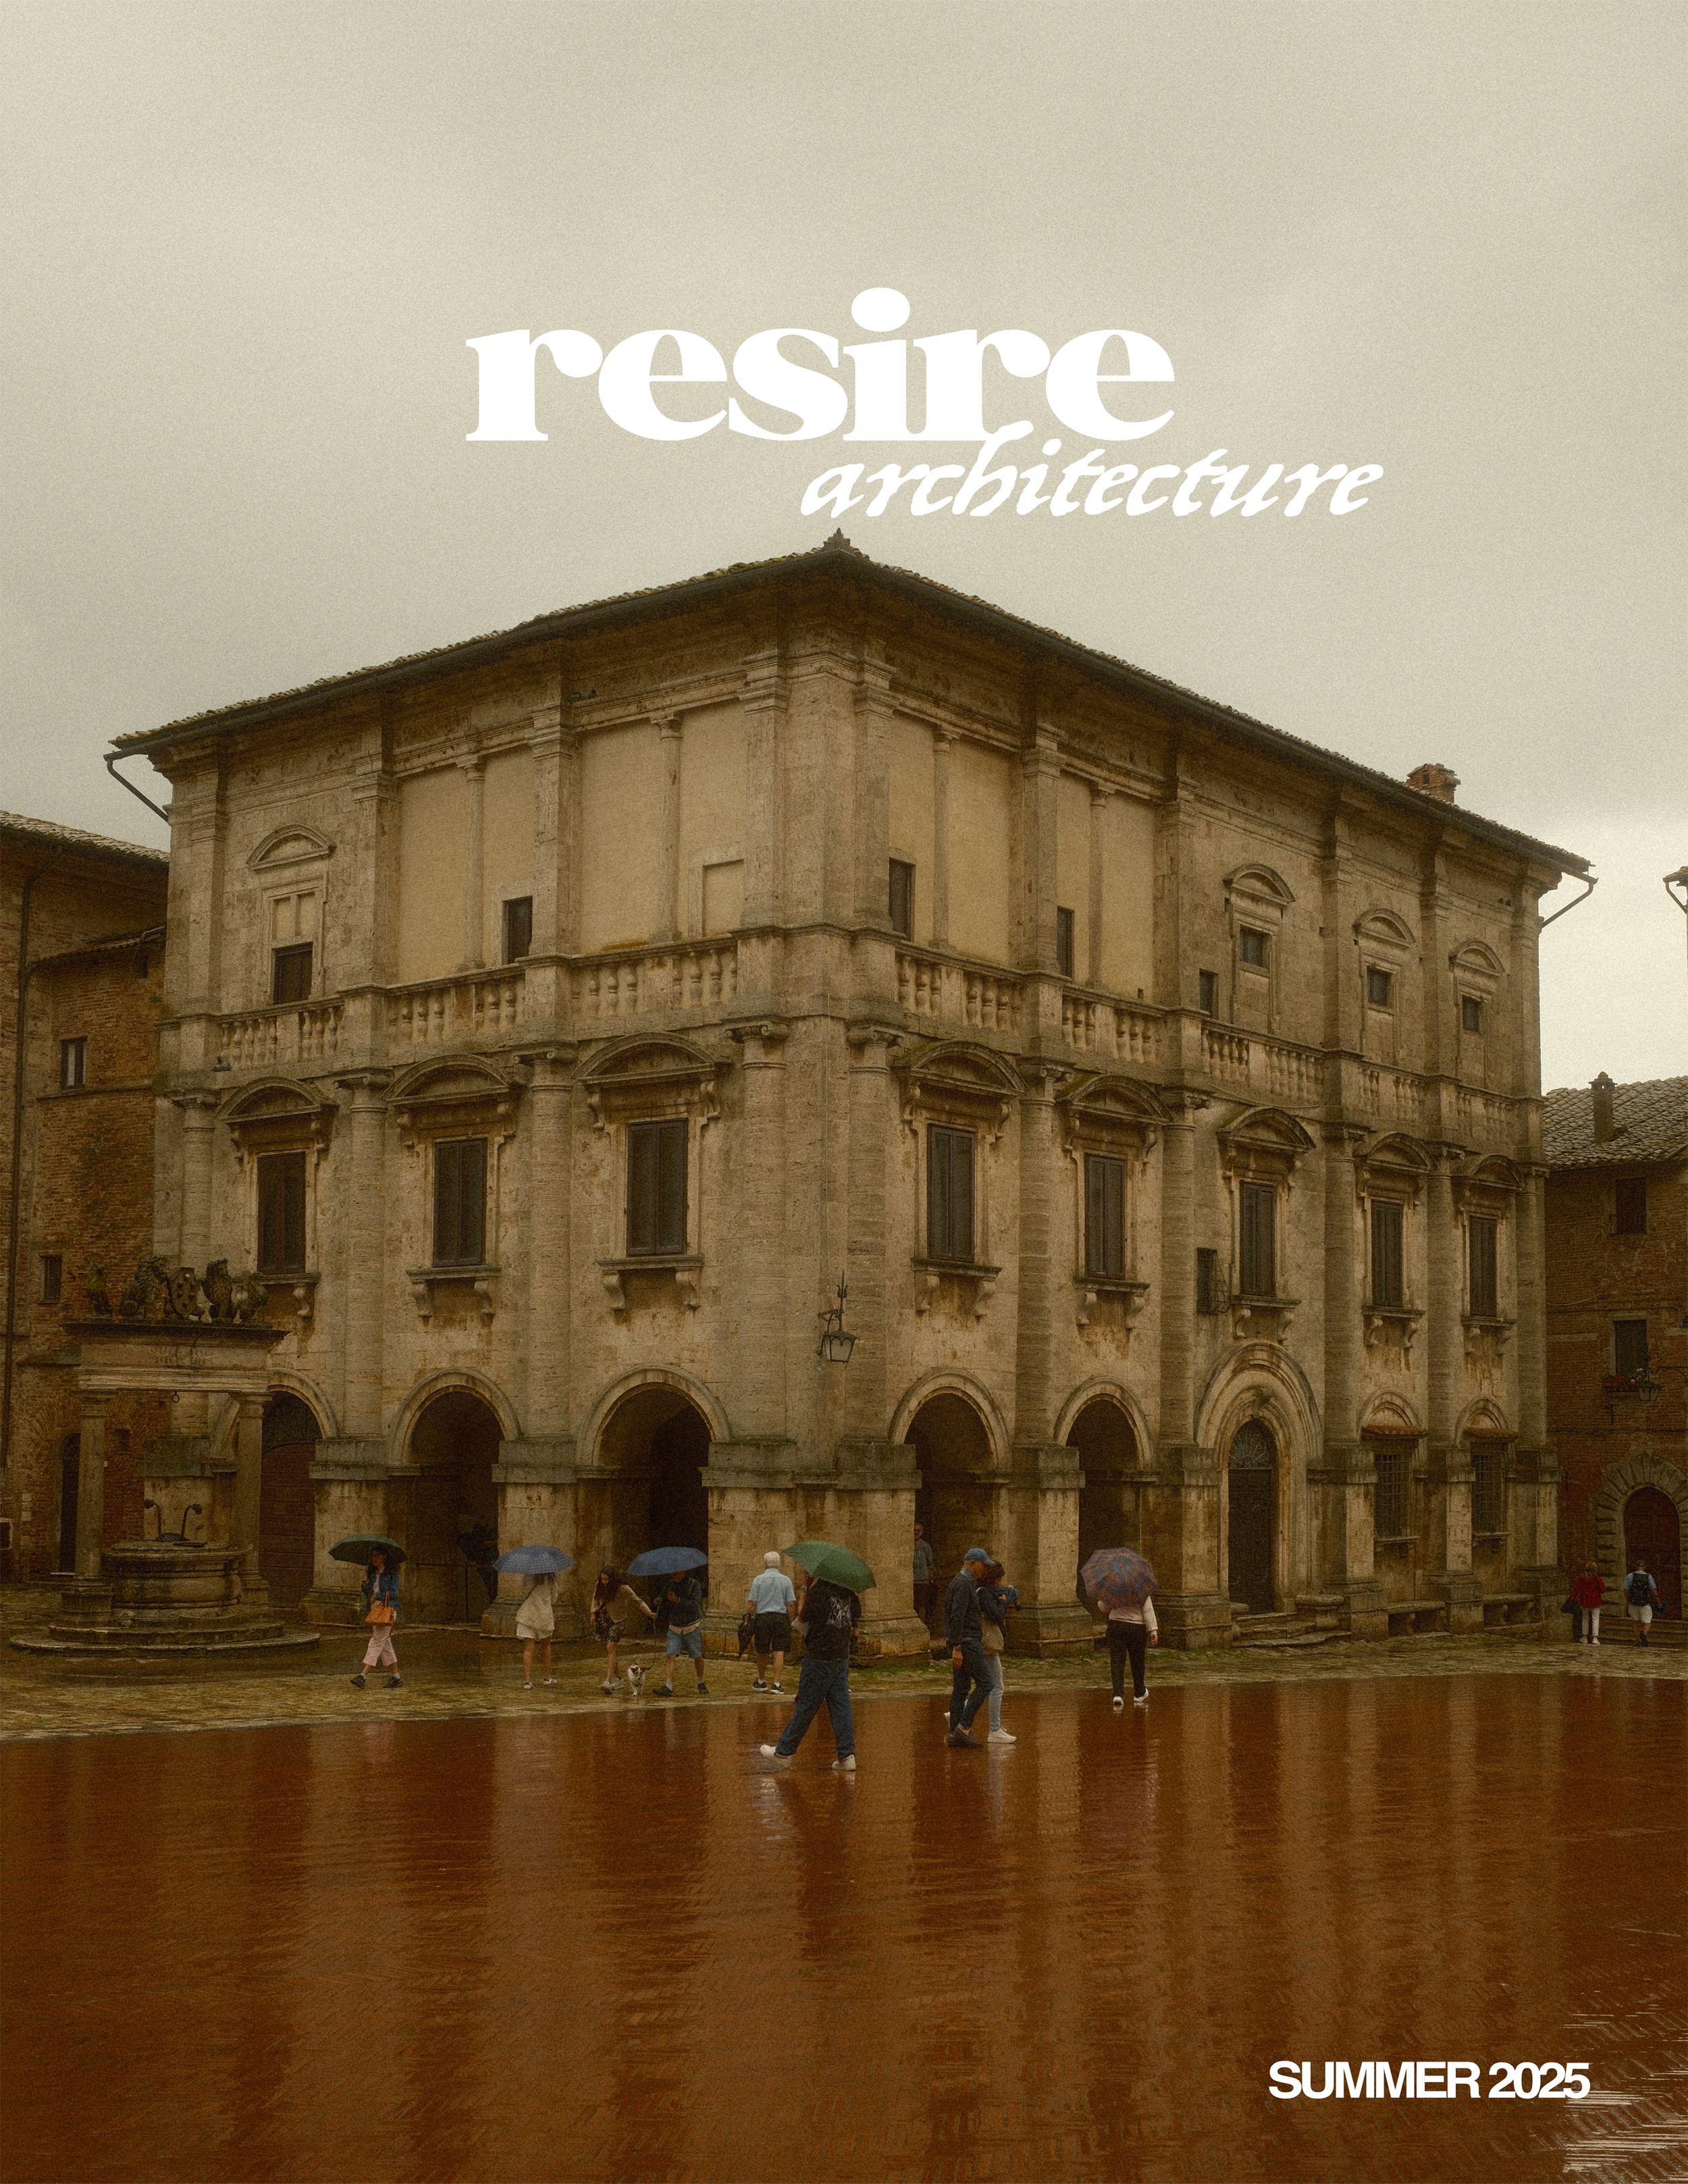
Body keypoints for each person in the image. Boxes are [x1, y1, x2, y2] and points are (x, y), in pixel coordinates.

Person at [760, 1572, 860, 1769]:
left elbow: (802, 1616)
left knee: (806, 1704)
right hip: (841, 1656)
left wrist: (805, 1588)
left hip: (819, 1656)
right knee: (841, 1706)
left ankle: (784, 1751)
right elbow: (856, 1614)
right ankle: (847, 1755)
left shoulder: (819, 1592)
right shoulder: (849, 1593)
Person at [943, 1547, 994, 1749]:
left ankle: (955, 1732)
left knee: (961, 1688)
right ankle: (963, 1727)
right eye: (983, 1565)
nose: (985, 1569)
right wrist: (957, 1647)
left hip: (962, 1642)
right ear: (972, 1563)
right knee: (986, 1682)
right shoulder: (964, 1585)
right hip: (967, 1642)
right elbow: (957, 1616)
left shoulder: (960, 1582)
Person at [591, 1566, 655, 1693]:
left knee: (611, 1648)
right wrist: (592, 1613)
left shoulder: (624, 1589)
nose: (604, 1582)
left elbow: (638, 1601)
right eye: (602, 1579)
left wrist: (649, 1613)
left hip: (618, 1620)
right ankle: (619, 1678)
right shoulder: (600, 1586)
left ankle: (608, 1681)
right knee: (610, 1650)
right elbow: (595, 1598)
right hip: (605, 1618)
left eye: (606, 1580)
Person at [978, 1561, 1019, 1744]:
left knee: (985, 1686)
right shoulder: (985, 1593)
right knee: (997, 1687)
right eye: (999, 1578)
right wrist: (1003, 1602)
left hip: (983, 1643)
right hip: (988, 1643)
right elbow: (996, 1614)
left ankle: (957, 1713)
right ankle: (994, 1729)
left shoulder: (982, 1591)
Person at [745, 1550, 797, 1692]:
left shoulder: (758, 1580)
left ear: (765, 1564)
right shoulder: (786, 1580)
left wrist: (748, 1617)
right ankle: (777, 1683)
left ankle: (761, 1680)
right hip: (780, 1618)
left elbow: (752, 1604)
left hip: (763, 1618)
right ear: (779, 1564)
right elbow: (791, 1604)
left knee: (762, 1650)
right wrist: (790, 1621)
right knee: (779, 1651)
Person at [351, 1547, 401, 1689]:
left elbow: (394, 1593)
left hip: (388, 1609)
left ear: (384, 1557)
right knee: (385, 1644)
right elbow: (368, 1593)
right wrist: (365, 1585)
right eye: (372, 1556)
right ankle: (396, 1676)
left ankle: (363, 1675)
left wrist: (378, 1596)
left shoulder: (392, 1573)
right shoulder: (372, 1573)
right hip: (375, 1609)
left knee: (377, 1641)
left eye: (377, 1556)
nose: (374, 1559)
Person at [1104, 1586, 1157, 1709]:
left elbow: (1104, 1608)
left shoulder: (1113, 1587)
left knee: (1117, 1661)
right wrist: (1153, 1630)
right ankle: (1139, 1692)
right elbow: (1148, 1609)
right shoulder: (1140, 1587)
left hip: (1116, 1625)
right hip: (1136, 1627)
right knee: (1137, 1661)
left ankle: (1118, 1694)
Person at [660, 1568, 709, 1696]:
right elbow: (663, 1598)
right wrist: (659, 1600)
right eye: (672, 1573)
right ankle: (668, 1685)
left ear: (684, 1572)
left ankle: (700, 1681)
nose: (673, 1575)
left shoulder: (694, 1585)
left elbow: (694, 1605)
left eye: (676, 1572)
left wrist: (678, 1600)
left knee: (697, 1656)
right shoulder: (670, 1585)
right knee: (671, 1655)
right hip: (674, 1626)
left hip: (691, 1626)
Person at [517, 1568, 557, 1688]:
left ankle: (528, 1681)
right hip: (544, 1616)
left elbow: (524, 1593)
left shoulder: (528, 1577)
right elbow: (554, 1598)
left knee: (528, 1648)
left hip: (528, 1615)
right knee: (546, 1647)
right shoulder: (551, 1579)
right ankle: (546, 1677)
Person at [1625, 1558, 1660, 1645]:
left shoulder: (1630, 1576)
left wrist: (1628, 1601)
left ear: (1636, 1566)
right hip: (1645, 1603)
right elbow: (1653, 1590)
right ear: (1644, 1567)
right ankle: (1644, 1633)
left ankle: (1637, 1641)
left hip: (1633, 1602)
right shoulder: (1649, 1577)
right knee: (1648, 1622)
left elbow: (1626, 1590)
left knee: (1635, 1622)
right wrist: (1658, 1602)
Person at [1570, 1563, 1606, 1646]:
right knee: (1595, 1619)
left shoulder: (1581, 1578)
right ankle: (1595, 1638)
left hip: (1585, 1601)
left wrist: (1572, 1599)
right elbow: (1603, 1590)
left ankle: (1585, 1637)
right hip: (1595, 1601)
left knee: (1585, 1618)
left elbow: (1576, 1589)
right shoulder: (1597, 1578)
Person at [912, 1522, 935, 1630]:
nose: (916, 1533)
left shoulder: (926, 1546)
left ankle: (921, 1625)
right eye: (914, 1531)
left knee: (922, 1604)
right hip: (912, 1580)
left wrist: (931, 1578)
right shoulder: (908, 1546)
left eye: (918, 1531)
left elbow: (930, 1564)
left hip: (923, 1580)